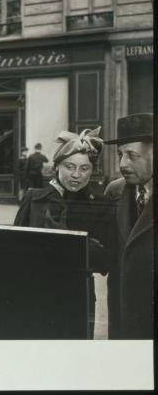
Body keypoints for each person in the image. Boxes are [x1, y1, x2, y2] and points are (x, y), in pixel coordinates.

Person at [14, 128, 114, 339]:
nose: (76, 175)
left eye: (84, 168)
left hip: (79, 296)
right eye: (70, 166)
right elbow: (15, 251)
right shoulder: (34, 199)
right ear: (57, 165)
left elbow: (106, 261)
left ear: (92, 171)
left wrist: (67, 238)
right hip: (37, 294)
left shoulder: (100, 205)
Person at [104, 112, 153, 339]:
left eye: (132, 155)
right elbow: (106, 252)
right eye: (120, 154)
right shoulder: (114, 191)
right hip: (123, 317)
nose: (123, 164)